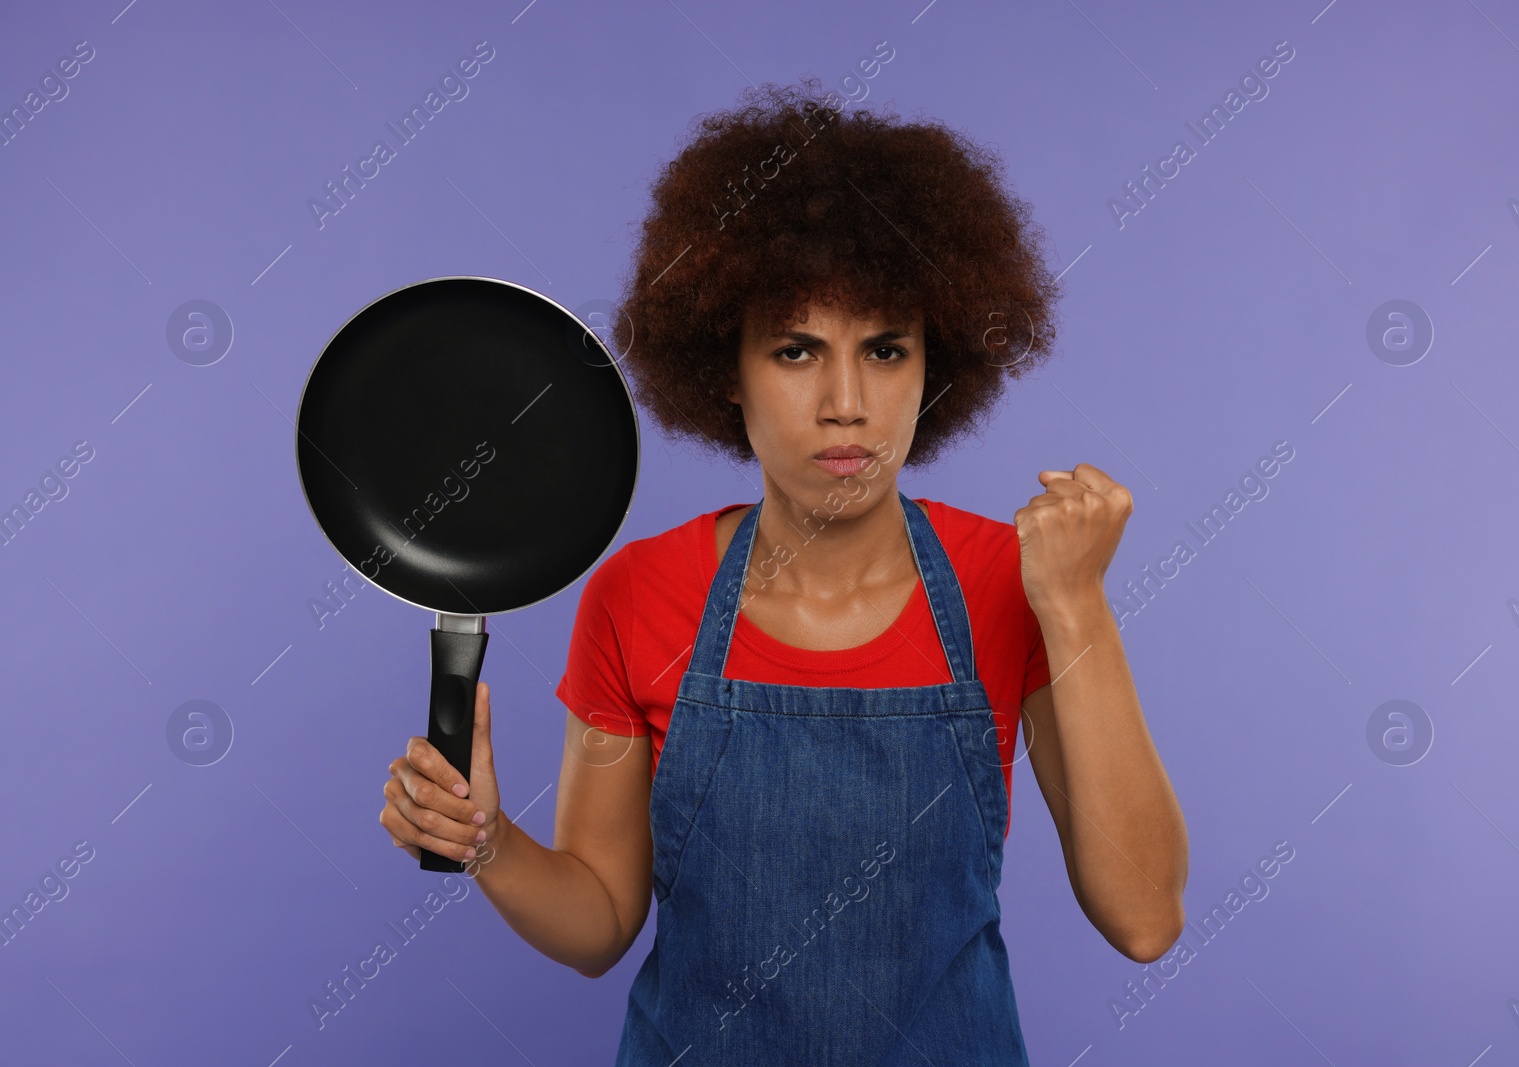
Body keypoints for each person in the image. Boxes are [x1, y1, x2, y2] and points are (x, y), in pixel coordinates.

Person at [380, 79, 1187, 1064]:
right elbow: (597, 920)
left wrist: (1075, 602)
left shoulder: (1011, 580)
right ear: (727, 366)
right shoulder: (639, 593)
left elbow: (1144, 917)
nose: (847, 402)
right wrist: (489, 841)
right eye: (797, 349)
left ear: (935, 363)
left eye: (884, 349)